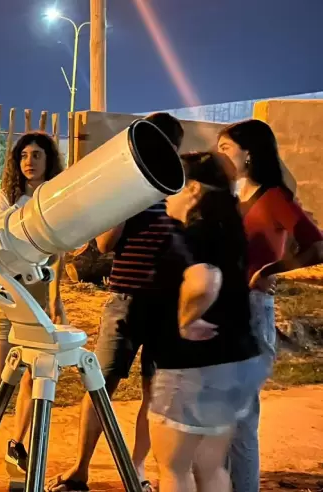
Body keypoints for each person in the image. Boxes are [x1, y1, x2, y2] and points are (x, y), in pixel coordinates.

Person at [46, 112, 184, 492]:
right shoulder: (133, 188)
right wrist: (124, 201)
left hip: (171, 306)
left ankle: (136, 470)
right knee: (100, 384)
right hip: (125, 300)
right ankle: (80, 470)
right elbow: (105, 246)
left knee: (155, 394)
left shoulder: (184, 190)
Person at [146, 151, 265, 492]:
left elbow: (204, 280)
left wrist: (185, 320)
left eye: (173, 186)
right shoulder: (228, 230)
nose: (166, 195)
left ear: (194, 190)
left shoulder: (192, 236)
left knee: (174, 468)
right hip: (232, 361)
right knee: (210, 467)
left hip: (191, 366)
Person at [217, 119, 323, 492]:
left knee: (242, 419)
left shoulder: (274, 198)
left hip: (251, 307)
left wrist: (270, 269)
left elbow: (316, 246)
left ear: (249, 153)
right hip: (222, 309)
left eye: (226, 148)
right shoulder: (232, 198)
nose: (221, 155)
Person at [0, 131, 65, 491]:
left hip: (38, 298)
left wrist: (56, 303)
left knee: (31, 378)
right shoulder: (5, 199)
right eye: (24, 154)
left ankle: (18, 448)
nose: (29, 161)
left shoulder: (56, 199)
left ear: (48, 160)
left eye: (37, 154)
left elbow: (57, 257)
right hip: (6, 297)